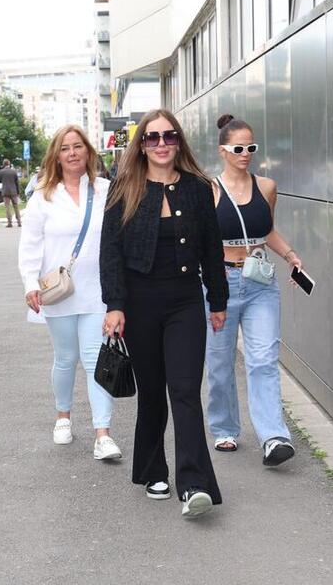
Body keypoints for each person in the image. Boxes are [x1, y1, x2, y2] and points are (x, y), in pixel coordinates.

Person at [100, 109, 228, 518]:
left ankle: (194, 484)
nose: (161, 144)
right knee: (153, 392)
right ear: (141, 145)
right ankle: (153, 469)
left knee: (185, 390)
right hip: (139, 304)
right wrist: (115, 304)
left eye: (168, 136)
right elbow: (110, 252)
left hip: (184, 301)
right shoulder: (124, 188)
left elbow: (212, 248)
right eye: (152, 137)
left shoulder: (197, 188)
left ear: (178, 142)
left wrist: (218, 301)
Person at [19, 125, 121, 461]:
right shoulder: (44, 196)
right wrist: (30, 283)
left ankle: (103, 434)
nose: (72, 153)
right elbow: (30, 244)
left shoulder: (106, 190)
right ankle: (63, 416)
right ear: (56, 156)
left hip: (97, 290)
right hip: (58, 293)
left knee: (95, 359)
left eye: (78, 146)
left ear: (88, 151)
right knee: (65, 358)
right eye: (65, 148)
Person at [205, 113, 303, 466]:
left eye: (251, 148)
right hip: (221, 283)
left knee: (263, 359)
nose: (245, 154)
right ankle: (225, 427)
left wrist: (291, 256)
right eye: (238, 148)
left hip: (261, 283)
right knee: (219, 362)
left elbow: (267, 230)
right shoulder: (209, 190)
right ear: (223, 150)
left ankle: (273, 436)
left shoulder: (267, 187)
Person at [0, 159, 21, 227]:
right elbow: (17, 183)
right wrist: (18, 192)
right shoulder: (14, 172)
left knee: (7, 207)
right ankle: (19, 222)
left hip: (5, 191)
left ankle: (9, 222)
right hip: (14, 191)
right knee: (16, 206)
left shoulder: (1, 172)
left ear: (3, 164)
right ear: (9, 164)